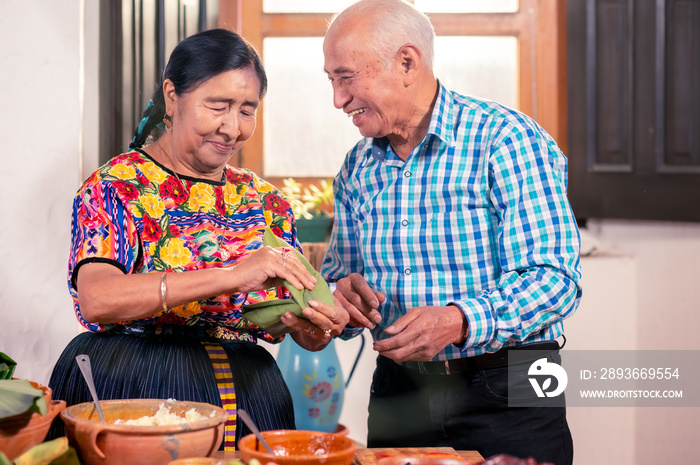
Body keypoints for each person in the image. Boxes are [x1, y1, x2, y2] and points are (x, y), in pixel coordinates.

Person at [48, 28, 347, 450]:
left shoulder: (266, 201)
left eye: (248, 109)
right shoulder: (118, 186)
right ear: (172, 97)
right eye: (218, 105)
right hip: (131, 388)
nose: (232, 127)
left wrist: (316, 328)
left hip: (248, 392)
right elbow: (99, 298)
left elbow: (290, 324)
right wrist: (231, 275)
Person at [320, 1, 582, 464]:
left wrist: (459, 320)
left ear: (407, 63)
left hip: (511, 383)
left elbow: (555, 280)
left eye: (346, 78)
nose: (338, 100)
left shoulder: (505, 139)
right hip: (399, 390)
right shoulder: (357, 167)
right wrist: (341, 298)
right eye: (332, 81)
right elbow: (342, 277)